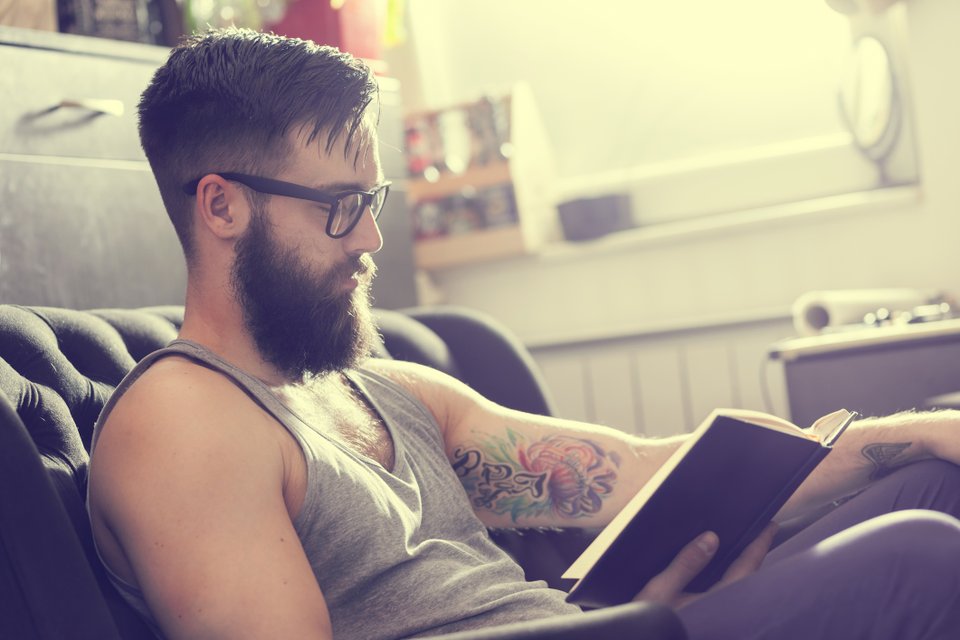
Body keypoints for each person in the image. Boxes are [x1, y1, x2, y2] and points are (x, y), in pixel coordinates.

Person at [87, 27, 960, 640]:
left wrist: (918, 430)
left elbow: (637, 474)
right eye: (340, 208)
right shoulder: (185, 422)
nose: (371, 241)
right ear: (221, 205)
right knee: (917, 561)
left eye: (375, 202)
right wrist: (629, 629)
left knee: (933, 490)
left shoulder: (384, 389)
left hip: (599, 624)